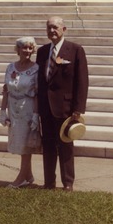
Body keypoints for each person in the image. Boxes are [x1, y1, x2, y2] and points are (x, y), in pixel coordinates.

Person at [36, 16, 89, 191]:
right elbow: (40, 81)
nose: (52, 31)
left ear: (63, 29)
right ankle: (49, 182)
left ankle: (68, 183)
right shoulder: (42, 52)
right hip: (46, 109)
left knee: (66, 146)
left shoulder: (75, 50)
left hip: (66, 109)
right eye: (49, 27)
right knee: (48, 146)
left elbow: (82, 82)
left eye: (55, 27)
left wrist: (78, 109)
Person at [0, 37, 40, 188]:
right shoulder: (10, 67)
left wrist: (36, 115)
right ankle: (28, 175)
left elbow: (37, 94)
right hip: (13, 108)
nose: (27, 51)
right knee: (19, 142)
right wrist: (3, 111)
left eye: (30, 48)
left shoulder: (36, 69)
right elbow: (6, 90)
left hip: (27, 108)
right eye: (24, 48)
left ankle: (22, 177)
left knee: (25, 144)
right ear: (18, 50)